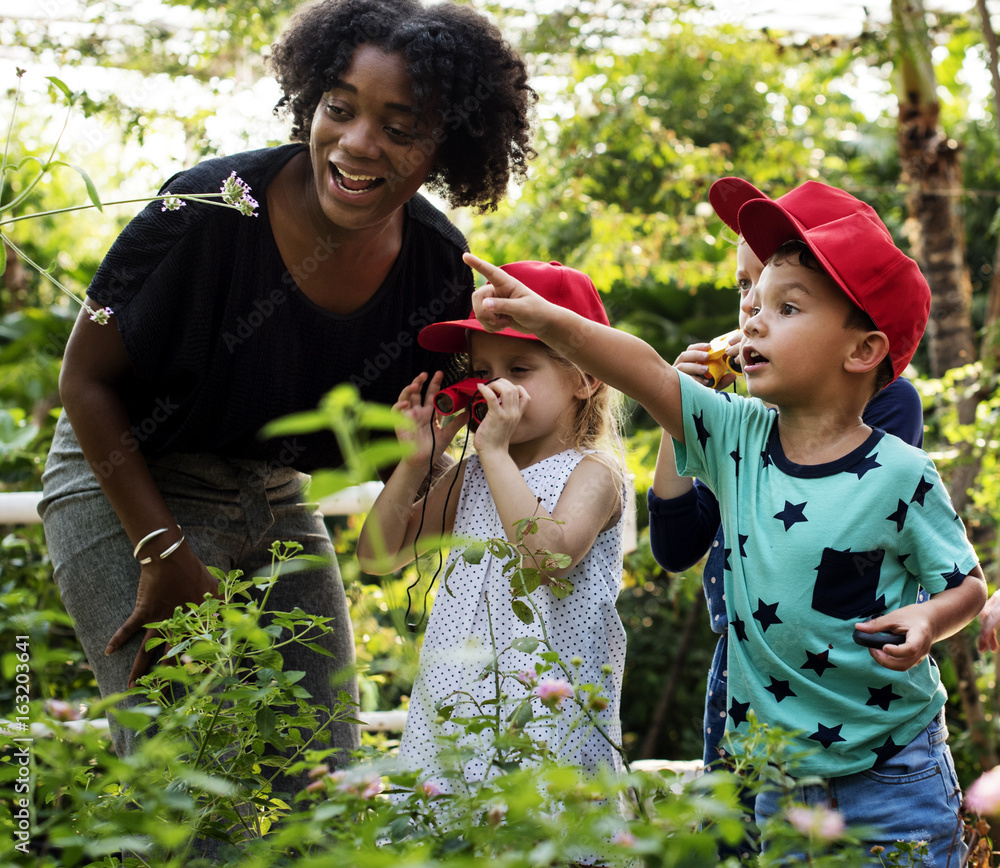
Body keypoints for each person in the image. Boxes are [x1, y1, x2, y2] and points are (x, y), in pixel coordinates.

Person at [37, 0, 536, 802]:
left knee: (325, 785)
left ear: (448, 144)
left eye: (401, 126)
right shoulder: (206, 207)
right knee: (188, 784)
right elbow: (83, 381)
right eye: (339, 108)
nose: (358, 143)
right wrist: (163, 553)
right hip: (127, 480)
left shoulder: (439, 268)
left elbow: (422, 465)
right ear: (310, 99)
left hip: (273, 492)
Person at [462, 185, 987, 865]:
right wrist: (547, 321)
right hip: (780, 780)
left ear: (862, 351)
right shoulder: (735, 433)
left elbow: (966, 585)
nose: (754, 319)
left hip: (894, 772)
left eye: (786, 307)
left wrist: (930, 621)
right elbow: (644, 371)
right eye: (756, 300)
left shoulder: (901, 473)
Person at [648, 180, 926, 775]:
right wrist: (682, 414)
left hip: (842, 679)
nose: (750, 307)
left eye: (782, 299)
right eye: (745, 287)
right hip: (746, 665)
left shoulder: (890, 405)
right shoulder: (736, 420)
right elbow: (675, 547)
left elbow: (854, 537)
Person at [356, 260, 627, 788]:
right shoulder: (476, 470)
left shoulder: (595, 472)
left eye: (519, 369)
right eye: (482, 371)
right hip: (457, 716)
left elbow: (547, 560)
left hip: (549, 723)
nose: (492, 386)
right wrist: (415, 462)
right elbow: (378, 555)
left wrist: (494, 454)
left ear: (586, 379)